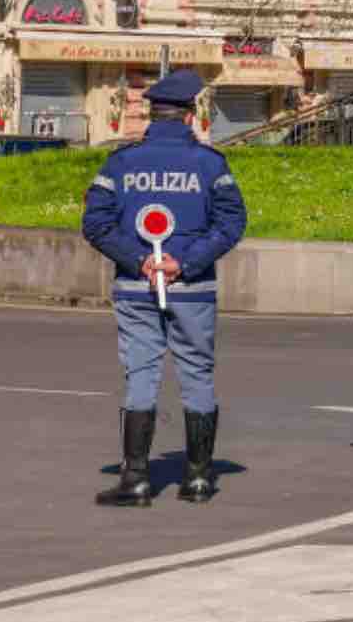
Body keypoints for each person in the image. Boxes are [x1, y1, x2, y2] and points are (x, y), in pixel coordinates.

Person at [82, 69, 247, 507]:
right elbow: (231, 222)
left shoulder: (120, 163)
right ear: (190, 115)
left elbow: (95, 224)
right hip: (192, 288)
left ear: (152, 115)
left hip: (138, 287)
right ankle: (197, 479)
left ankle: (136, 479)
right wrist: (185, 263)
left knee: (140, 374)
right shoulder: (211, 165)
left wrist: (139, 260)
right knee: (196, 374)